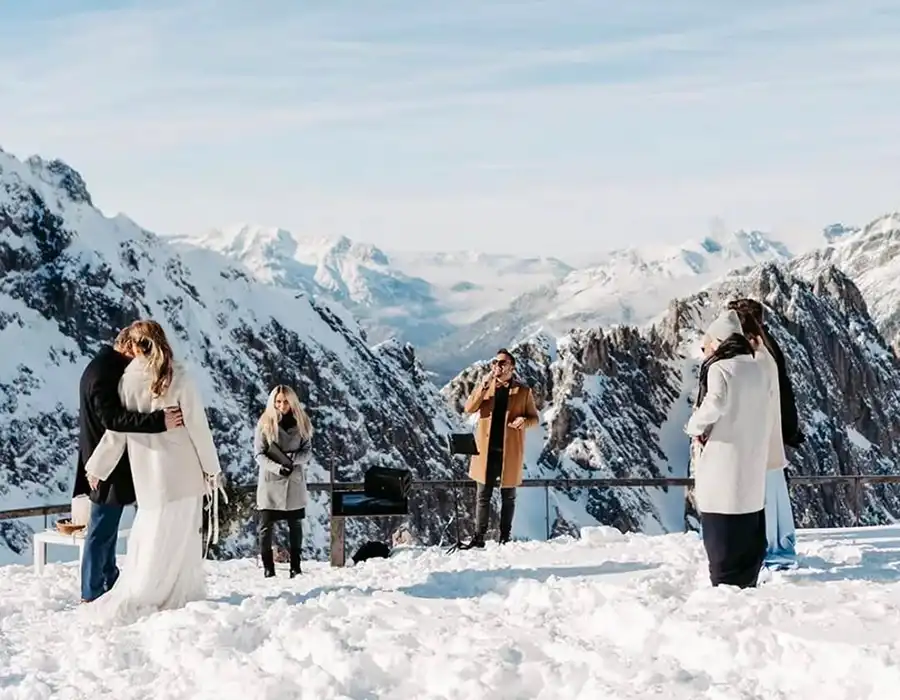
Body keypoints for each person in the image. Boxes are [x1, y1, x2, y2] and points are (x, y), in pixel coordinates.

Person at [84, 320, 222, 619]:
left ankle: (146, 589)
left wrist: (98, 465)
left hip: (149, 477)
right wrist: (212, 470)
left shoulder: (127, 383)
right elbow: (199, 428)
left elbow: (117, 431)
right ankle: (174, 595)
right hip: (183, 474)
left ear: (134, 346)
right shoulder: (180, 377)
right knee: (180, 540)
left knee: (151, 536)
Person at [74, 328, 183, 603]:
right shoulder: (105, 374)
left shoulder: (102, 367)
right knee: (101, 529)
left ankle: (108, 580)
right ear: (128, 347)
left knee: (107, 528)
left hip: (105, 462)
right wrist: (160, 421)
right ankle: (92, 591)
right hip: (106, 464)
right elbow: (113, 419)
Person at [685, 310, 771, 588]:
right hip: (752, 463)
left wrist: (694, 426)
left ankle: (725, 593)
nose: (706, 348)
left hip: (724, 462)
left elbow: (715, 404)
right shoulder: (758, 367)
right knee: (748, 536)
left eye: (708, 342)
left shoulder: (719, 368)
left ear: (720, 340)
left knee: (722, 541)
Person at [728, 298, 801, 568]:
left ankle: (768, 547)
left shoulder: (753, 354)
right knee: (773, 490)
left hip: (759, 434)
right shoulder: (768, 348)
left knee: (762, 493)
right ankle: (778, 544)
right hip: (771, 433)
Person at [457, 348, 539, 549]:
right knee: (483, 496)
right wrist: (484, 384)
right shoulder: (486, 387)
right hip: (486, 451)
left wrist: (524, 421)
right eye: (495, 362)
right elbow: (469, 408)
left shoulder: (523, 391)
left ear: (512, 367)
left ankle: (505, 537)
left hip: (508, 452)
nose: (498, 366)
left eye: (502, 363)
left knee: (508, 497)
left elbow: (534, 419)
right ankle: (479, 537)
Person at [254, 385, 312, 578]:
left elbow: (307, 452)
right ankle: (268, 568)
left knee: (295, 525)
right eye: (278, 401)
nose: (282, 405)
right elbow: (259, 454)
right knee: (266, 526)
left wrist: (291, 459)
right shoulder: (265, 423)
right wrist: (278, 466)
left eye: (285, 401)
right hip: (271, 480)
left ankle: (295, 567)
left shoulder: (302, 422)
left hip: (293, 480)